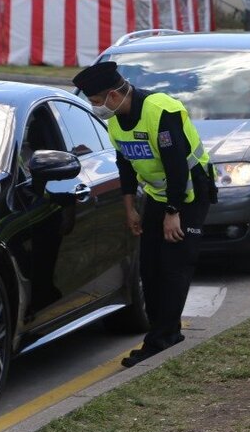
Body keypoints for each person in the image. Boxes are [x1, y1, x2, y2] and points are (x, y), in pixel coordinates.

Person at [73, 61, 215, 368]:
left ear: (112, 96)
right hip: (157, 197)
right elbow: (125, 164)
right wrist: (130, 208)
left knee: (174, 265)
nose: (96, 108)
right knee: (149, 267)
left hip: (189, 195)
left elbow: (177, 166)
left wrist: (173, 212)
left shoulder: (160, 111)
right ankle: (165, 332)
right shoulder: (115, 121)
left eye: (97, 102)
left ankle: (161, 338)